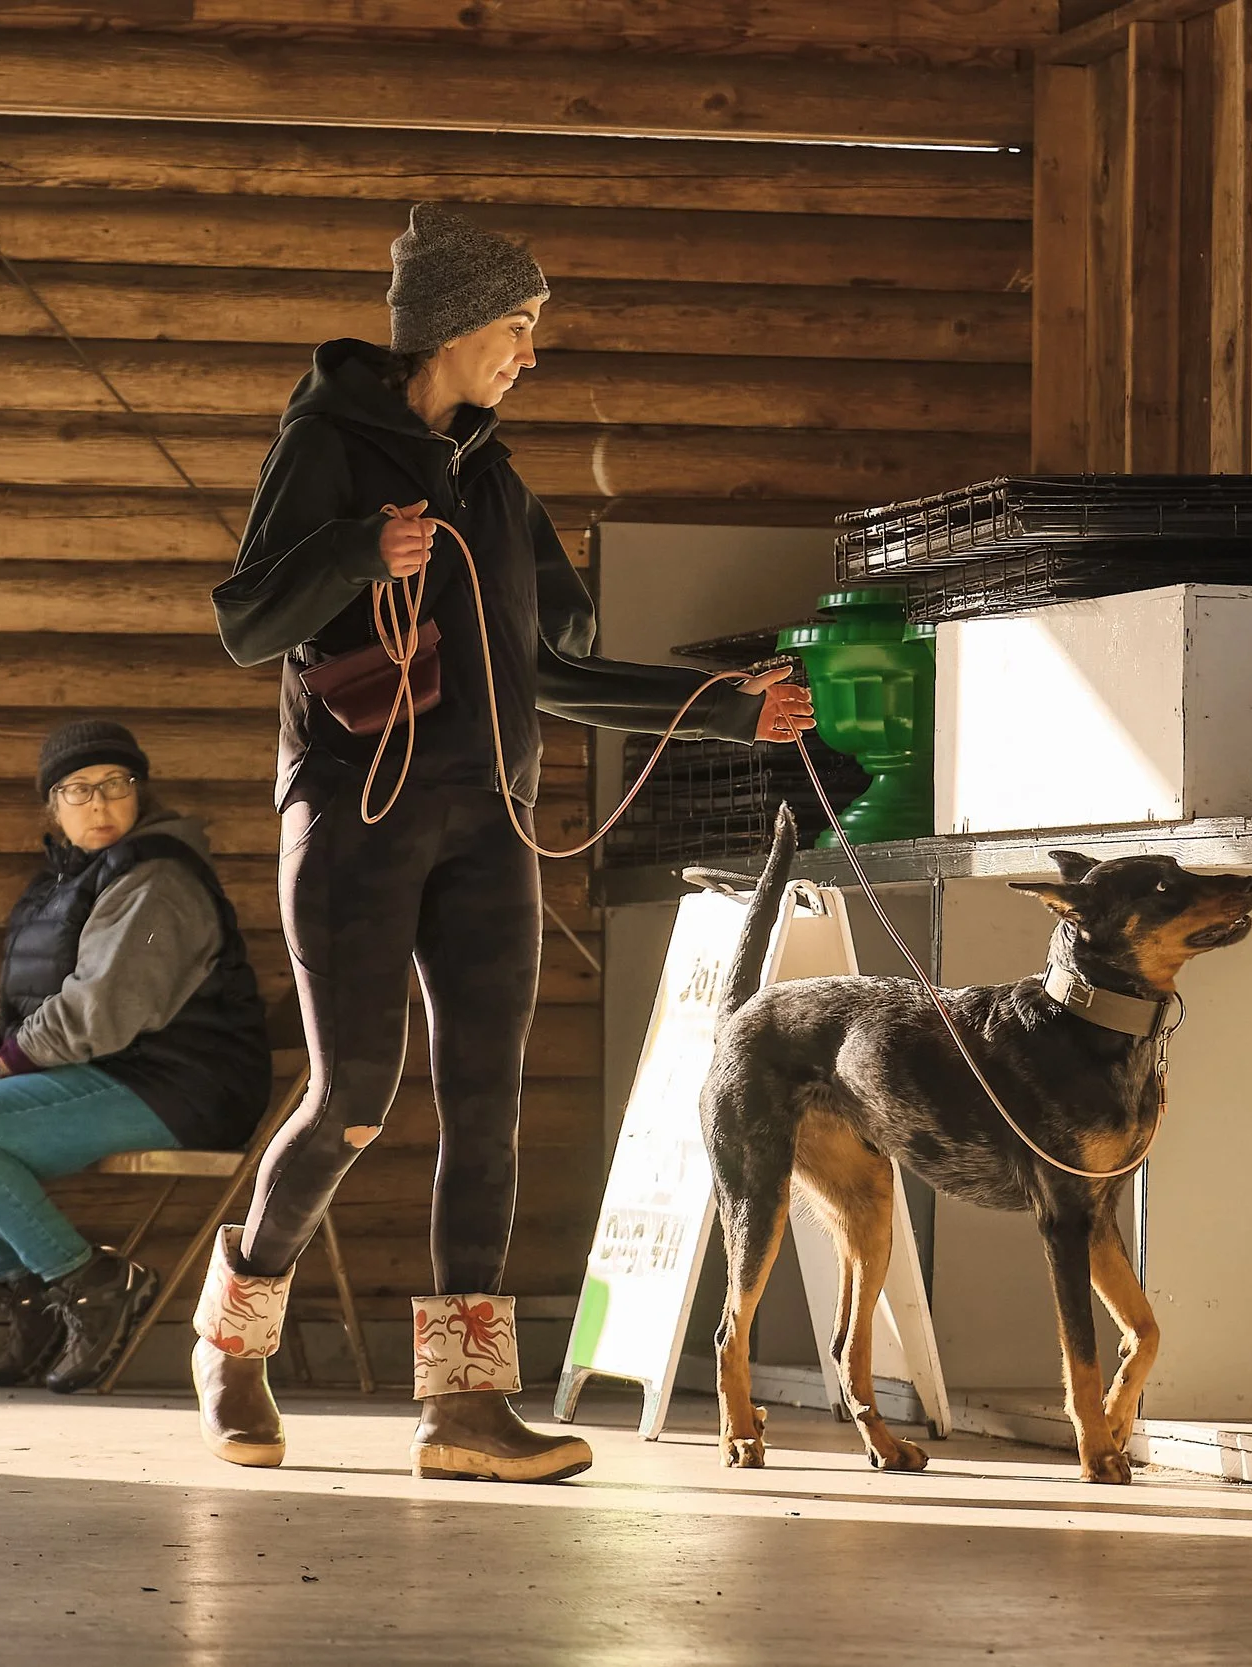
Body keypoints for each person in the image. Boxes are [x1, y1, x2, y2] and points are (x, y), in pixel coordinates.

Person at [199, 203, 815, 1481]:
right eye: (517, 327)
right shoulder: (323, 441)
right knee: (353, 1100)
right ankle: (234, 1335)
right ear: (450, 328)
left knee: (487, 1110)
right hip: (354, 819)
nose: (529, 353)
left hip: (491, 825)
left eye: (535, 330)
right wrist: (359, 547)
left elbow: (555, 670)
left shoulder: (493, 477)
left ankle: (464, 1410)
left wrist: (731, 711)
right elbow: (251, 622)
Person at [0, 721, 274, 1393]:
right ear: (53, 806)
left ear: (140, 793)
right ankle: (34, 1299)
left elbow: (98, 1014)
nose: (97, 804)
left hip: (183, 1085)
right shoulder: (63, 882)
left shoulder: (157, 877)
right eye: (77, 790)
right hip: (114, 1072)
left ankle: (95, 1285)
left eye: (114, 785)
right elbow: (22, 1010)